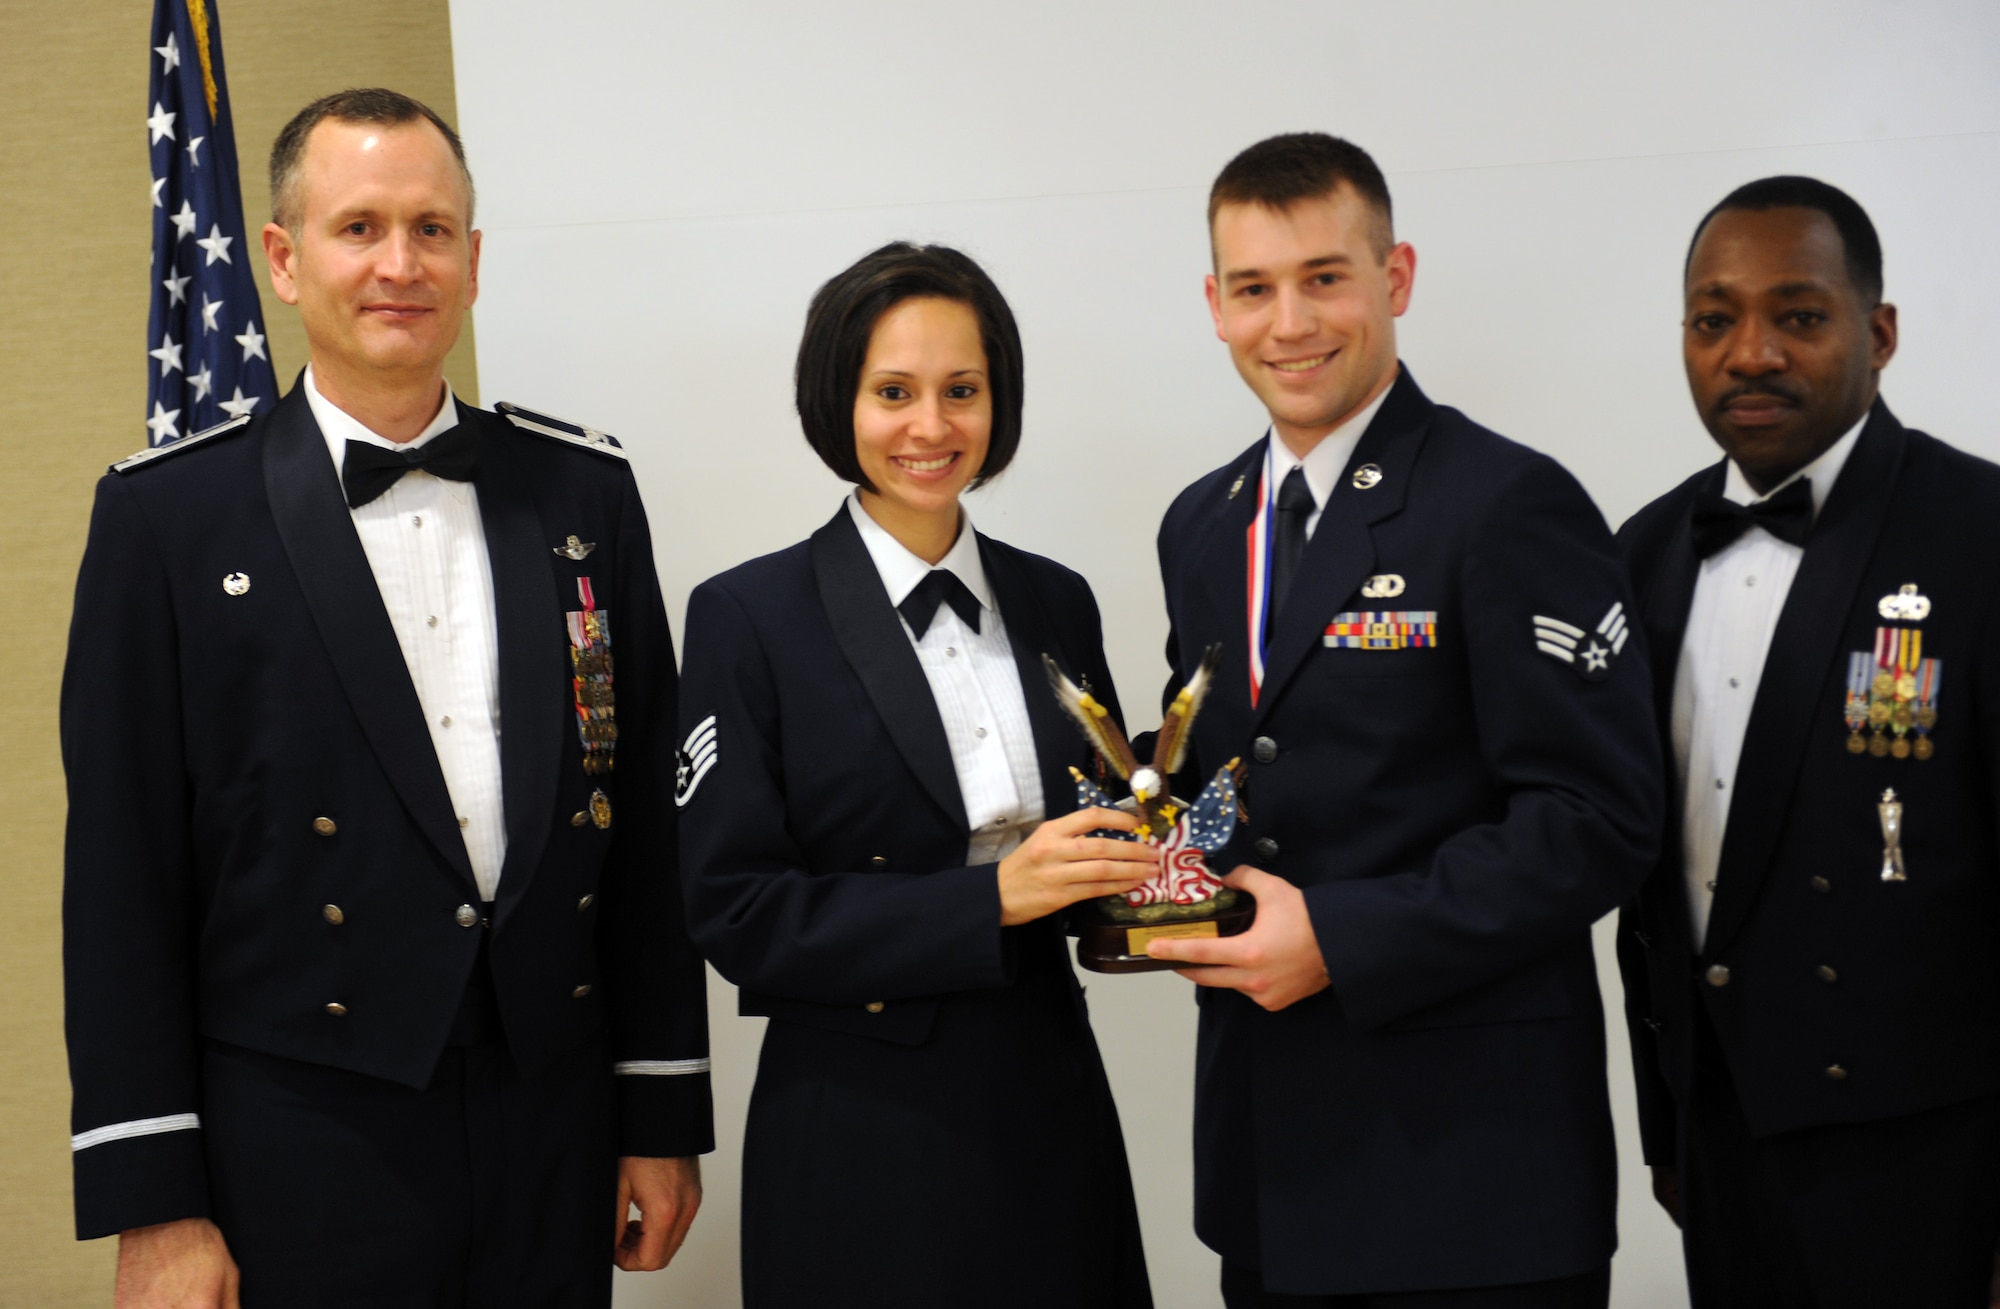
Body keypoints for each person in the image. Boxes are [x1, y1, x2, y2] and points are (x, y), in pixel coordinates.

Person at [61, 89, 711, 1307]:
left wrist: (659, 1105)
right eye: (360, 227)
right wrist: (155, 1199)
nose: (399, 264)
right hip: (298, 1130)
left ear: (473, 261)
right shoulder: (167, 518)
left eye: (432, 228)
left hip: (550, 1115)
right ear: (284, 258)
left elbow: (638, 833)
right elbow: (120, 879)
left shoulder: (584, 496)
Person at [1141, 132, 1662, 1307]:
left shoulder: (1506, 501)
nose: (1290, 324)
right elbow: (1228, 773)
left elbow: (1595, 819)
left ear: (1397, 277)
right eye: (1252, 288)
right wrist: (1143, 847)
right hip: (1267, 1165)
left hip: (1467, 1174)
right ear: (1212, 306)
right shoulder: (1201, 522)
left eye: (1324, 277)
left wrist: (1340, 934)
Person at [675, 241, 1157, 1309]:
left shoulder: (1057, 600)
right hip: (858, 1117)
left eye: (962, 391)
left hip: (1046, 1093)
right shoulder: (747, 616)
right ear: (834, 401)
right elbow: (735, 910)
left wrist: (1164, 881)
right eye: (892, 392)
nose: (930, 427)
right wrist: (989, 897)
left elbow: (1104, 839)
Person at [1615, 176, 2000, 1307]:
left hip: (1933, 1146)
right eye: (1711, 319)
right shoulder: (1639, 553)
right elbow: (1642, 884)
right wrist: (1665, 1115)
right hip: (1716, 1123)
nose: (1748, 353)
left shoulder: (1978, 536)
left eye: (1796, 315)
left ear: (1875, 333)